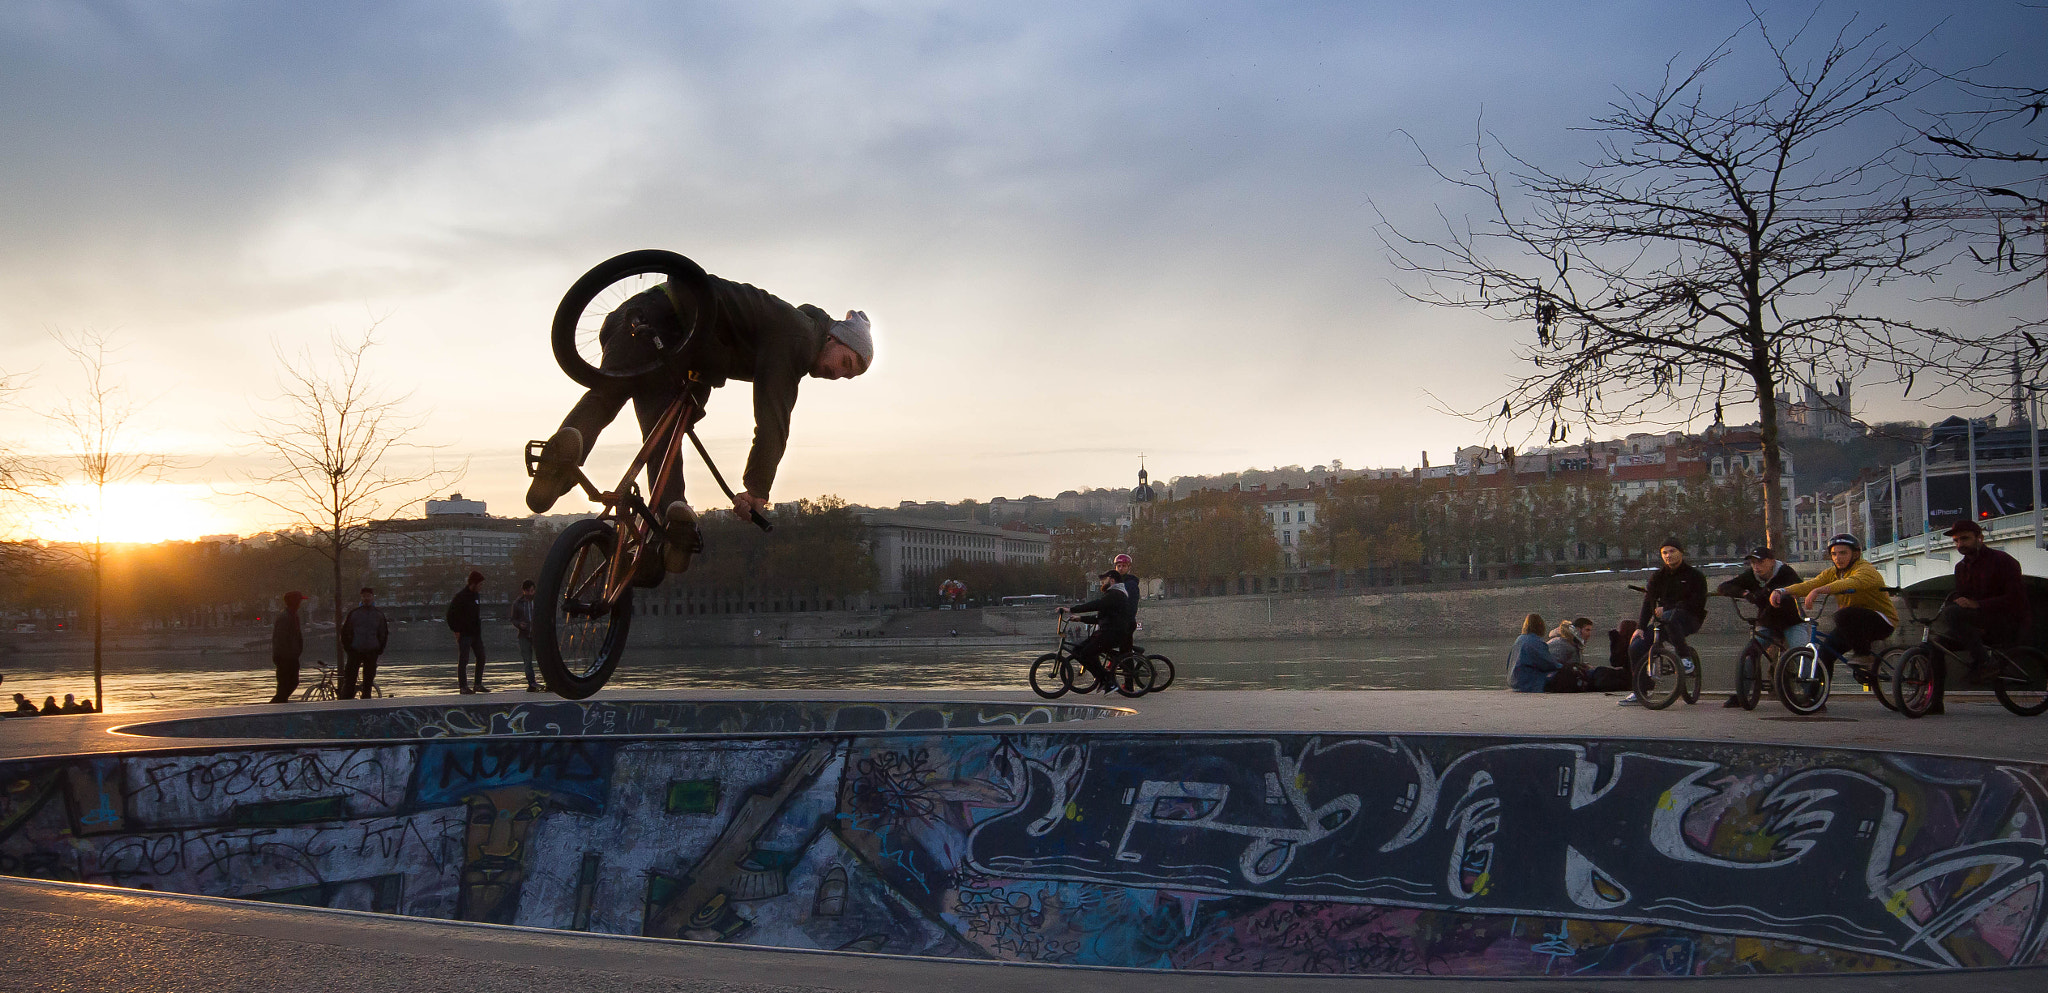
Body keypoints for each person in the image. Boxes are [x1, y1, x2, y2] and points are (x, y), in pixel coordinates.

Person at [525, 268, 875, 575]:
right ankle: (675, 517)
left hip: (634, 319)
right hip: (673, 329)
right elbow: (774, 416)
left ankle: (562, 456)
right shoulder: (799, 338)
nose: (838, 376)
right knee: (666, 435)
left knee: (614, 398)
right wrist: (756, 489)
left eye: (848, 377)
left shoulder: (787, 327)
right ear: (833, 338)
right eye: (846, 364)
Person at [1772, 534, 1898, 699]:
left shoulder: (1866, 569)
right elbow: (1810, 584)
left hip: (1881, 621)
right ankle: (1814, 699)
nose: (1838, 558)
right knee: (1825, 654)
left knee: (1842, 615)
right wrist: (1783, 591)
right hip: (1854, 623)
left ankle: (1864, 655)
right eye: (1834, 554)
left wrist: (1820, 590)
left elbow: (1852, 582)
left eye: (1843, 553)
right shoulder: (1833, 573)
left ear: (1855, 554)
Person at [1926, 519, 2032, 715]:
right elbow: (1963, 596)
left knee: (1953, 613)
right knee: (1936, 643)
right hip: (1977, 626)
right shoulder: (1961, 567)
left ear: (1980, 538)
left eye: (1965, 539)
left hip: (2006, 623)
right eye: (1956, 541)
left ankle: (1984, 663)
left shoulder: (2003, 561)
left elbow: (2016, 599)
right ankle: (1935, 702)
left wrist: (1978, 604)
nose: (1960, 545)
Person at [1715, 546, 1803, 707]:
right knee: (1750, 654)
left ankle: (1812, 693)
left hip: (1792, 621)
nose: (1756, 567)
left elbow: (1800, 587)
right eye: (1753, 563)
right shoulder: (1752, 576)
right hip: (1768, 622)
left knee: (1802, 653)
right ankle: (1743, 694)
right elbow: (1723, 587)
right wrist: (1745, 594)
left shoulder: (1785, 573)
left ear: (1771, 561)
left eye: (1760, 562)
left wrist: (1777, 593)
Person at [1057, 571, 1136, 691]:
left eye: (1104, 580)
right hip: (1107, 632)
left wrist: (1071, 609)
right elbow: (1100, 618)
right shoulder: (1113, 594)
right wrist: (1080, 618)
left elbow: (1096, 605)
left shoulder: (1116, 594)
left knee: (1086, 653)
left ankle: (1107, 681)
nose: (1102, 582)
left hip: (1112, 633)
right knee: (1077, 650)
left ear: (1112, 580)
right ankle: (1103, 679)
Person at [339, 587, 391, 700]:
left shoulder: (378, 615)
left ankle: (366, 703)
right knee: (350, 680)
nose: (366, 598)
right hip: (355, 651)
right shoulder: (354, 614)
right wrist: (349, 648)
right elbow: (345, 632)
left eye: (368, 596)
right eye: (364, 596)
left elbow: (383, 633)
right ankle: (346, 703)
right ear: (361, 598)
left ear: (372, 597)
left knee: (368, 681)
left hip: (372, 651)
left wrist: (379, 649)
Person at [448, 571, 488, 694]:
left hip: (476, 634)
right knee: (464, 660)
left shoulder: (477, 596)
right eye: (480, 584)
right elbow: (450, 615)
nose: (481, 587)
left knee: (481, 657)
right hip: (464, 634)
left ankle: (477, 684)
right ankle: (463, 686)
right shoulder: (460, 597)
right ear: (473, 584)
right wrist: (456, 630)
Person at [1508, 613, 1560, 692]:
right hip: (1528, 683)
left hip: (1514, 681)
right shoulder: (1536, 642)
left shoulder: (1519, 639)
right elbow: (1548, 663)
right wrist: (1563, 666)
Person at [1542, 617, 1596, 692]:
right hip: (1554, 680)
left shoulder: (1573, 644)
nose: (1589, 634)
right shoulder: (1562, 644)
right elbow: (1553, 665)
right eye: (1587, 630)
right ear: (1578, 630)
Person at [269, 591, 305, 704]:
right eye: (299, 601)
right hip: (285, 657)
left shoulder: (293, 615)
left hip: (291, 656)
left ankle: (279, 703)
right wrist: (288, 655)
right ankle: (277, 704)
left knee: (291, 682)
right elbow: (281, 639)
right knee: (286, 684)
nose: (300, 603)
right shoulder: (285, 617)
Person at [511, 579, 541, 692]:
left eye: (532, 591)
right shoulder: (517, 603)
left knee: (542, 660)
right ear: (524, 591)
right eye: (528, 591)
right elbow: (513, 619)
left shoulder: (539, 601)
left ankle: (549, 683)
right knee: (527, 661)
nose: (530, 593)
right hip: (524, 635)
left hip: (537, 635)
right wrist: (519, 624)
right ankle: (531, 684)